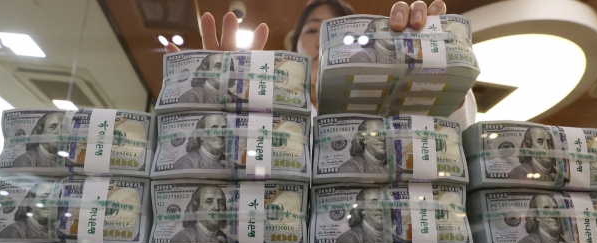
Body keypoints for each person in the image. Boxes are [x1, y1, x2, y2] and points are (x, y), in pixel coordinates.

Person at [163, 1, 462, 123]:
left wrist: (437, 75)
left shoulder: (393, 112)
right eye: (312, 30)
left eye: (340, 30)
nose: (323, 39)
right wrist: (213, 114)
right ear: (291, 52)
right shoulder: (261, 117)